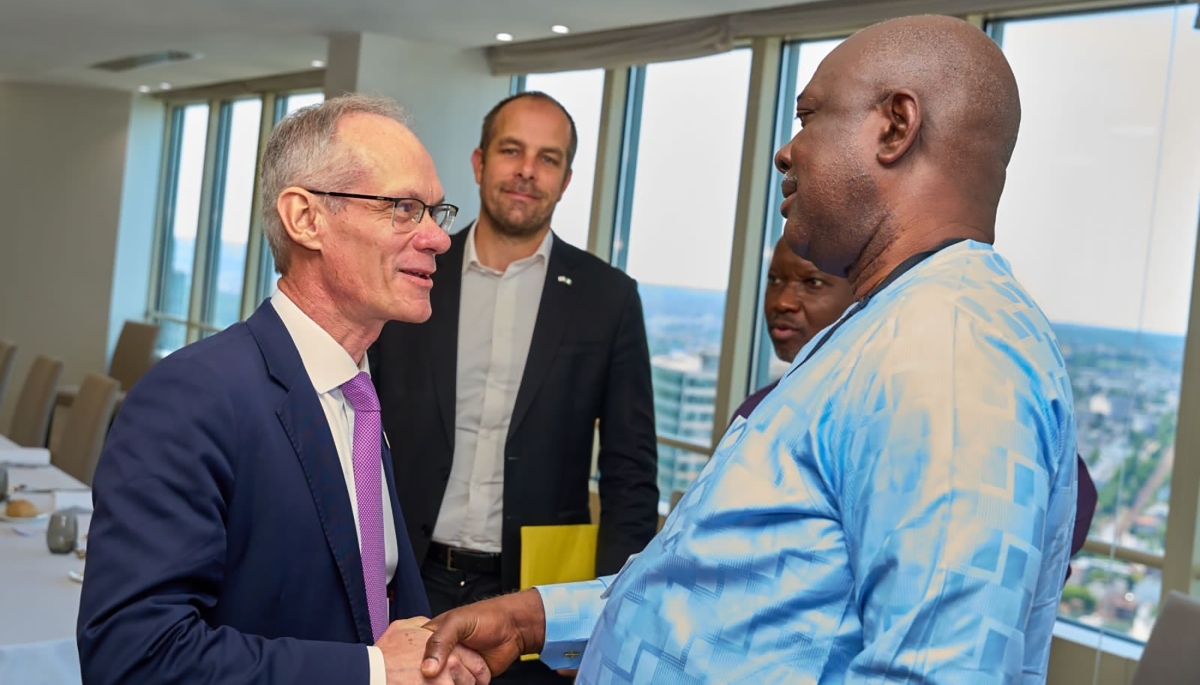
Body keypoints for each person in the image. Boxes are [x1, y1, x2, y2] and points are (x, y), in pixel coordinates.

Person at [419, 15, 1080, 684]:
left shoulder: (952, 349)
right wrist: (537, 616)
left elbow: (937, 673)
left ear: (894, 126)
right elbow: (729, 591)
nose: (785, 152)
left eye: (810, 116)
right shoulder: (888, 328)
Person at [77, 95, 490, 685]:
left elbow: (370, 594)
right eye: (403, 208)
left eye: (434, 211)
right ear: (305, 219)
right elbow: (135, 657)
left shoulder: (362, 395)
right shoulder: (189, 399)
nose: (438, 239)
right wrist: (371, 671)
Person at [370, 92, 659, 682]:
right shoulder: (413, 272)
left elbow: (632, 476)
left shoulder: (609, 299)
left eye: (548, 158)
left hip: (537, 598)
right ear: (479, 163)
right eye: (512, 150)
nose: (528, 170)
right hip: (405, 578)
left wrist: (601, 614)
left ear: (566, 179)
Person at [734, 239, 1097, 571]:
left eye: (812, 283)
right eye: (775, 280)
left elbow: (1068, 508)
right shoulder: (757, 410)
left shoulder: (913, 407)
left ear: (862, 296)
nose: (782, 301)